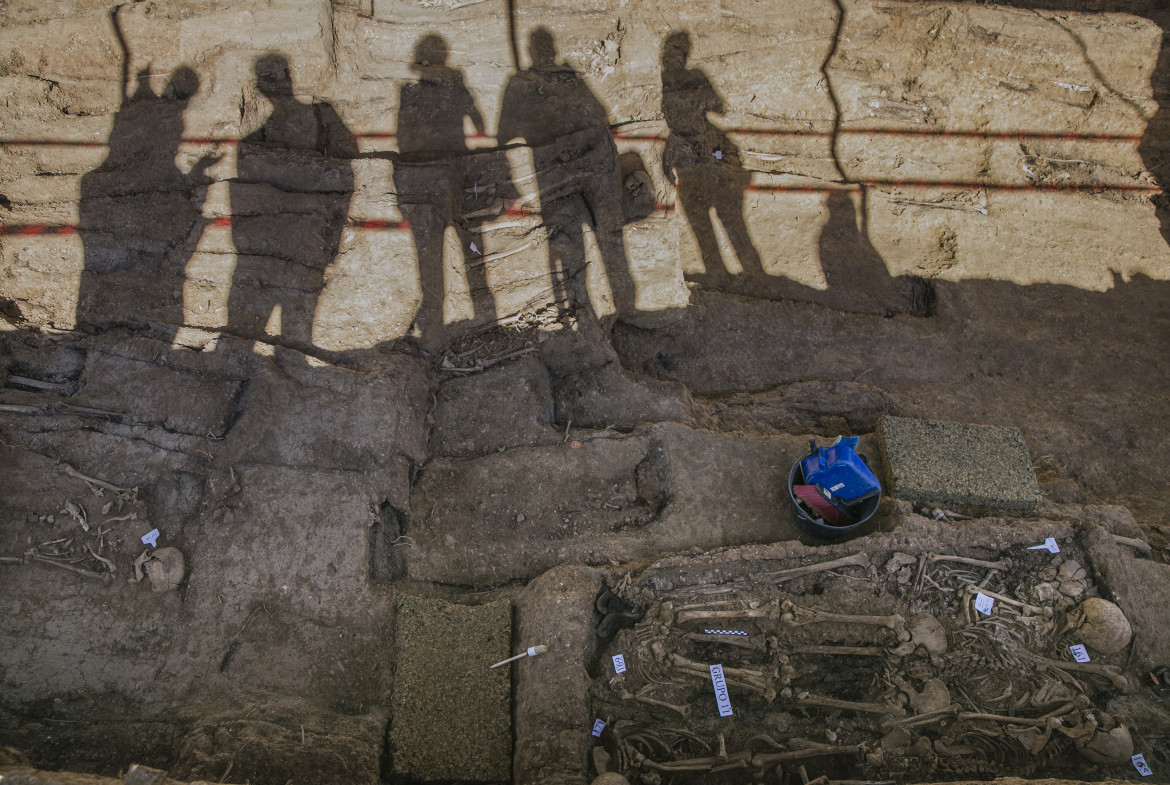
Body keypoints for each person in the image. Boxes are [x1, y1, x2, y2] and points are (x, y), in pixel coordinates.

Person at [498, 27, 634, 320]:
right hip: (558, 170)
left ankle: (612, 299)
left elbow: (504, 135)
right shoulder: (531, 83)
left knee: (603, 227)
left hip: (576, 164)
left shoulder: (538, 81)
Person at [225, 53, 357, 353]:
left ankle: (291, 353)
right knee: (281, 310)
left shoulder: (309, 117)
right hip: (277, 237)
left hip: (295, 235)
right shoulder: (269, 126)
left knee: (294, 310)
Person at [394, 34, 495, 349]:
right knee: (470, 247)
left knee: (430, 258)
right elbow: (479, 124)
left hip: (421, 179)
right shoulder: (455, 86)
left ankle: (434, 333)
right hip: (451, 173)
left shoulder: (409, 93)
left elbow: (403, 138)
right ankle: (483, 316)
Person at [660, 31, 763, 281]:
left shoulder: (665, 81)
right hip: (695, 153)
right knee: (718, 217)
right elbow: (718, 106)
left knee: (708, 217)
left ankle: (728, 272)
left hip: (686, 154)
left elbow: (716, 106)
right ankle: (742, 273)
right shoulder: (693, 78)